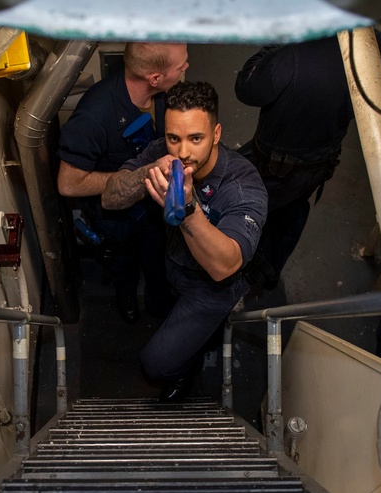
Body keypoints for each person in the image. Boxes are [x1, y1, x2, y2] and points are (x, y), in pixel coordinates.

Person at [102, 81, 268, 400]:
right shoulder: (164, 154)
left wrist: (188, 207)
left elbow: (225, 265)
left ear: (216, 134)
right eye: (173, 138)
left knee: (155, 364)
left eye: (196, 138)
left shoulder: (243, 185)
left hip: (210, 287)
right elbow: (110, 198)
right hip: (172, 260)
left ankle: (185, 367)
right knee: (156, 306)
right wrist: (150, 170)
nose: (183, 152)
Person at [234, 32, 381, 290]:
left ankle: (239, 268)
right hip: (319, 163)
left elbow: (246, 88)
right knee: (293, 212)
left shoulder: (293, 56)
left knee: (241, 206)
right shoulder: (380, 49)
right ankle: (269, 272)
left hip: (272, 166)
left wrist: (279, 44)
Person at [57, 42, 190, 322]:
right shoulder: (95, 115)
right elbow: (68, 184)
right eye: (181, 66)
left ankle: (159, 305)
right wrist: (129, 180)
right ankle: (126, 297)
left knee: (156, 255)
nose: (186, 68)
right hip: (115, 216)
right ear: (155, 78)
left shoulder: (163, 96)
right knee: (122, 260)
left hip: (152, 206)